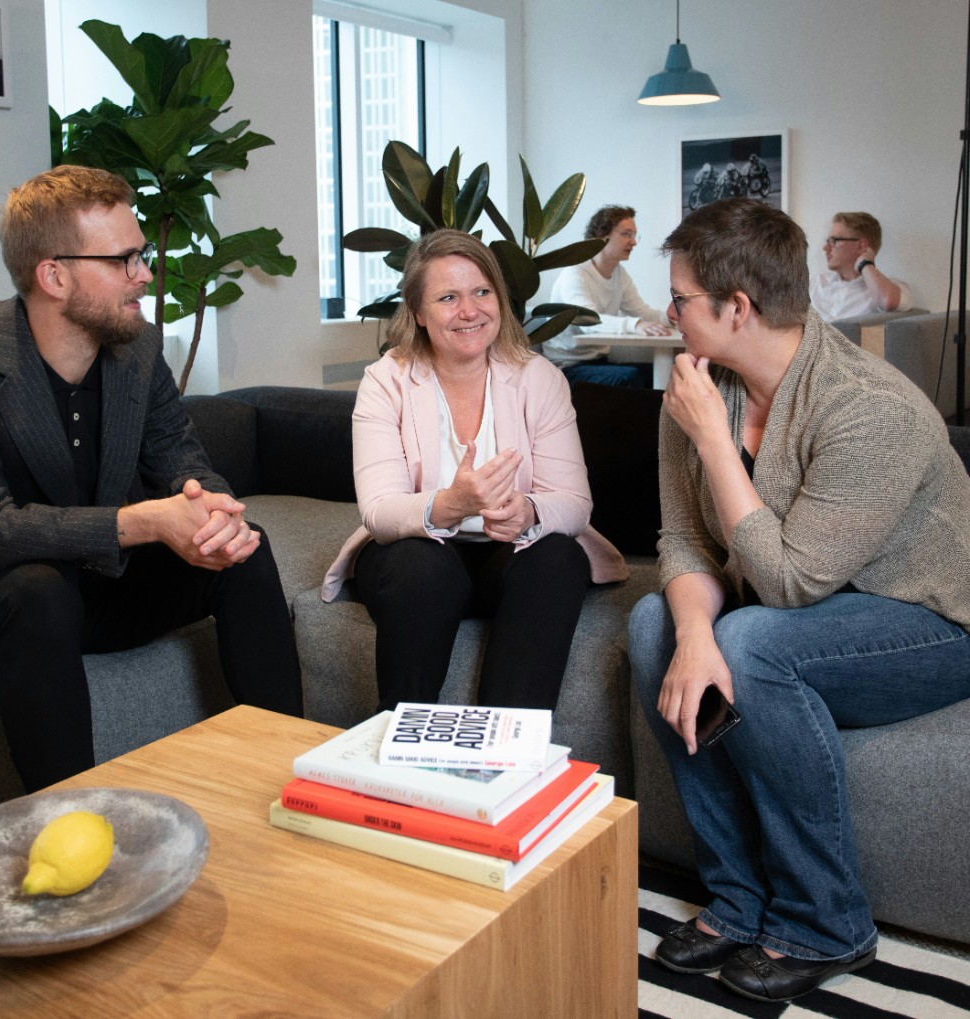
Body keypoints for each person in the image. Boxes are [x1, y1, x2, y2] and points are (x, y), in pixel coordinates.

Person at [627, 198, 970, 1003]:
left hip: (924, 619)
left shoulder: (872, 410)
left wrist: (715, 442)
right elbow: (681, 542)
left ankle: (828, 920)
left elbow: (789, 584)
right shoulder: (700, 387)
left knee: (748, 645)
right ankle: (740, 896)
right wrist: (690, 632)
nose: (669, 313)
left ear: (736, 308)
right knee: (652, 625)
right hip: (799, 609)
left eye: (679, 299)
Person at [0, 165, 303, 791]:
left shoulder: (136, 350)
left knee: (243, 551)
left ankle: (292, 780)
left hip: (100, 588)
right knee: (36, 587)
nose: (146, 274)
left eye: (141, 255)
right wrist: (143, 522)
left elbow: (182, 458)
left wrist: (208, 510)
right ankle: (72, 823)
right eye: (124, 260)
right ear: (53, 275)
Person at [323, 229, 627, 712]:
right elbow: (379, 510)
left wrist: (527, 511)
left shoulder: (538, 378)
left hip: (509, 557)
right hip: (417, 560)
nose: (470, 310)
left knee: (557, 557)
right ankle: (402, 751)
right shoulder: (386, 380)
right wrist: (450, 505)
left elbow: (573, 500)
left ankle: (506, 756)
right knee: (422, 565)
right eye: (448, 298)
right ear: (419, 314)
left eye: (482, 292)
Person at [542, 205, 672, 388]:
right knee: (631, 377)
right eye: (627, 234)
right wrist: (634, 325)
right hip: (566, 367)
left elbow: (640, 311)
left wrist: (671, 318)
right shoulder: (575, 272)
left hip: (599, 361)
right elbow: (588, 321)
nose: (634, 242)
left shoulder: (619, 274)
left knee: (661, 374)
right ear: (602, 235)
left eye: (634, 235)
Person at [808, 211, 912, 321]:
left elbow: (888, 301)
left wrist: (865, 264)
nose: (825, 248)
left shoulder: (886, 289)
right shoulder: (814, 283)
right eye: (828, 241)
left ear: (861, 246)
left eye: (834, 241)